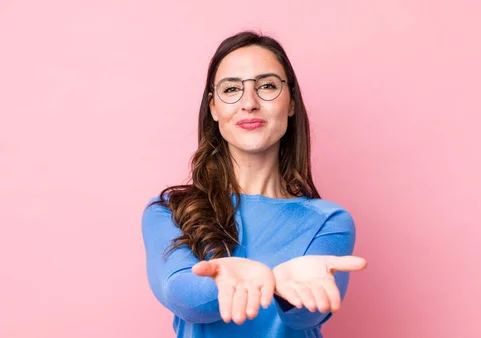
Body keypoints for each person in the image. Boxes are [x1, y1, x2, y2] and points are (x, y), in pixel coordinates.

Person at [141, 31, 367, 338]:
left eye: (268, 86)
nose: (249, 103)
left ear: (290, 103)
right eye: (232, 89)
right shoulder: (170, 211)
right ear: (214, 108)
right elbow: (182, 296)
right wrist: (245, 280)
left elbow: (307, 319)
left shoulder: (329, 221)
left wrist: (287, 294)